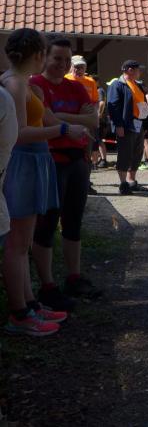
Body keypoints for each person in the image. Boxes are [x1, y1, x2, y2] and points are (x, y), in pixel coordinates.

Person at [2, 29, 84, 335]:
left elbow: (44, 118)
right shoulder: (14, 83)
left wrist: (63, 126)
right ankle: (20, 313)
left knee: (22, 243)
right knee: (18, 243)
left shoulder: (23, 83)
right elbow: (19, 133)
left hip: (34, 162)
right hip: (24, 164)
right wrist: (62, 130)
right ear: (39, 55)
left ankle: (30, 304)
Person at [29, 36, 101, 311]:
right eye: (57, 58)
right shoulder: (36, 84)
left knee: (73, 220)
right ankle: (47, 287)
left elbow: (93, 120)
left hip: (77, 161)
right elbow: (46, 118)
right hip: (51, 160)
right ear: (45, 57)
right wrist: (73, 119)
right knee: (47, 223)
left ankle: (74, 278)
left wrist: (61, 115)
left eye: (67, 60)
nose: (62, 64)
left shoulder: (76, 87)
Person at [107, 60, 148, 195]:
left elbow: (142, 104)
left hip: (139, 125)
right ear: (130, 70)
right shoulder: (117, 84)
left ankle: (131, 181)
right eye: (138, 69)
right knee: (125, 154)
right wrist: (118, 125)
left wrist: (146, 123)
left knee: (137, 154)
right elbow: (113, 106)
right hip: (126, 126)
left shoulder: (137, 85)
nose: (140, 72)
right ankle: (123, 184)